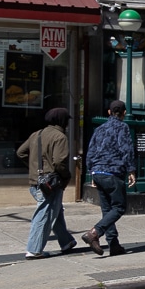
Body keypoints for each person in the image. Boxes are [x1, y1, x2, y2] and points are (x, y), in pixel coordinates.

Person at [16, 108, 75, 259]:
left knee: (55, 211)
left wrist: (34, 168)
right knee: (44, 214)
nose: (67, 123)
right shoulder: (60, 137)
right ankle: (34, 249)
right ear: (62, 121)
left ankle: (66, 241)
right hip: (51, 184)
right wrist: (67, 176)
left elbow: (20, 153)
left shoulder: (37, 134)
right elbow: (59, 162)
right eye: (66, 120)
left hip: (36, 182)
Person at [82, 100, 136, 256]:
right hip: (113, 172)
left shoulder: (99, 129)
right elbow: (126, 149)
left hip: (98, 172)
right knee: (119, 207)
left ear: (108, 112)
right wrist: (131, 170)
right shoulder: (122, 127)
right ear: (124, 113)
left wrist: (92, 171)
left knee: (107, 210)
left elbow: (91, 151)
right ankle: (94, 233)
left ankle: (114, 245)